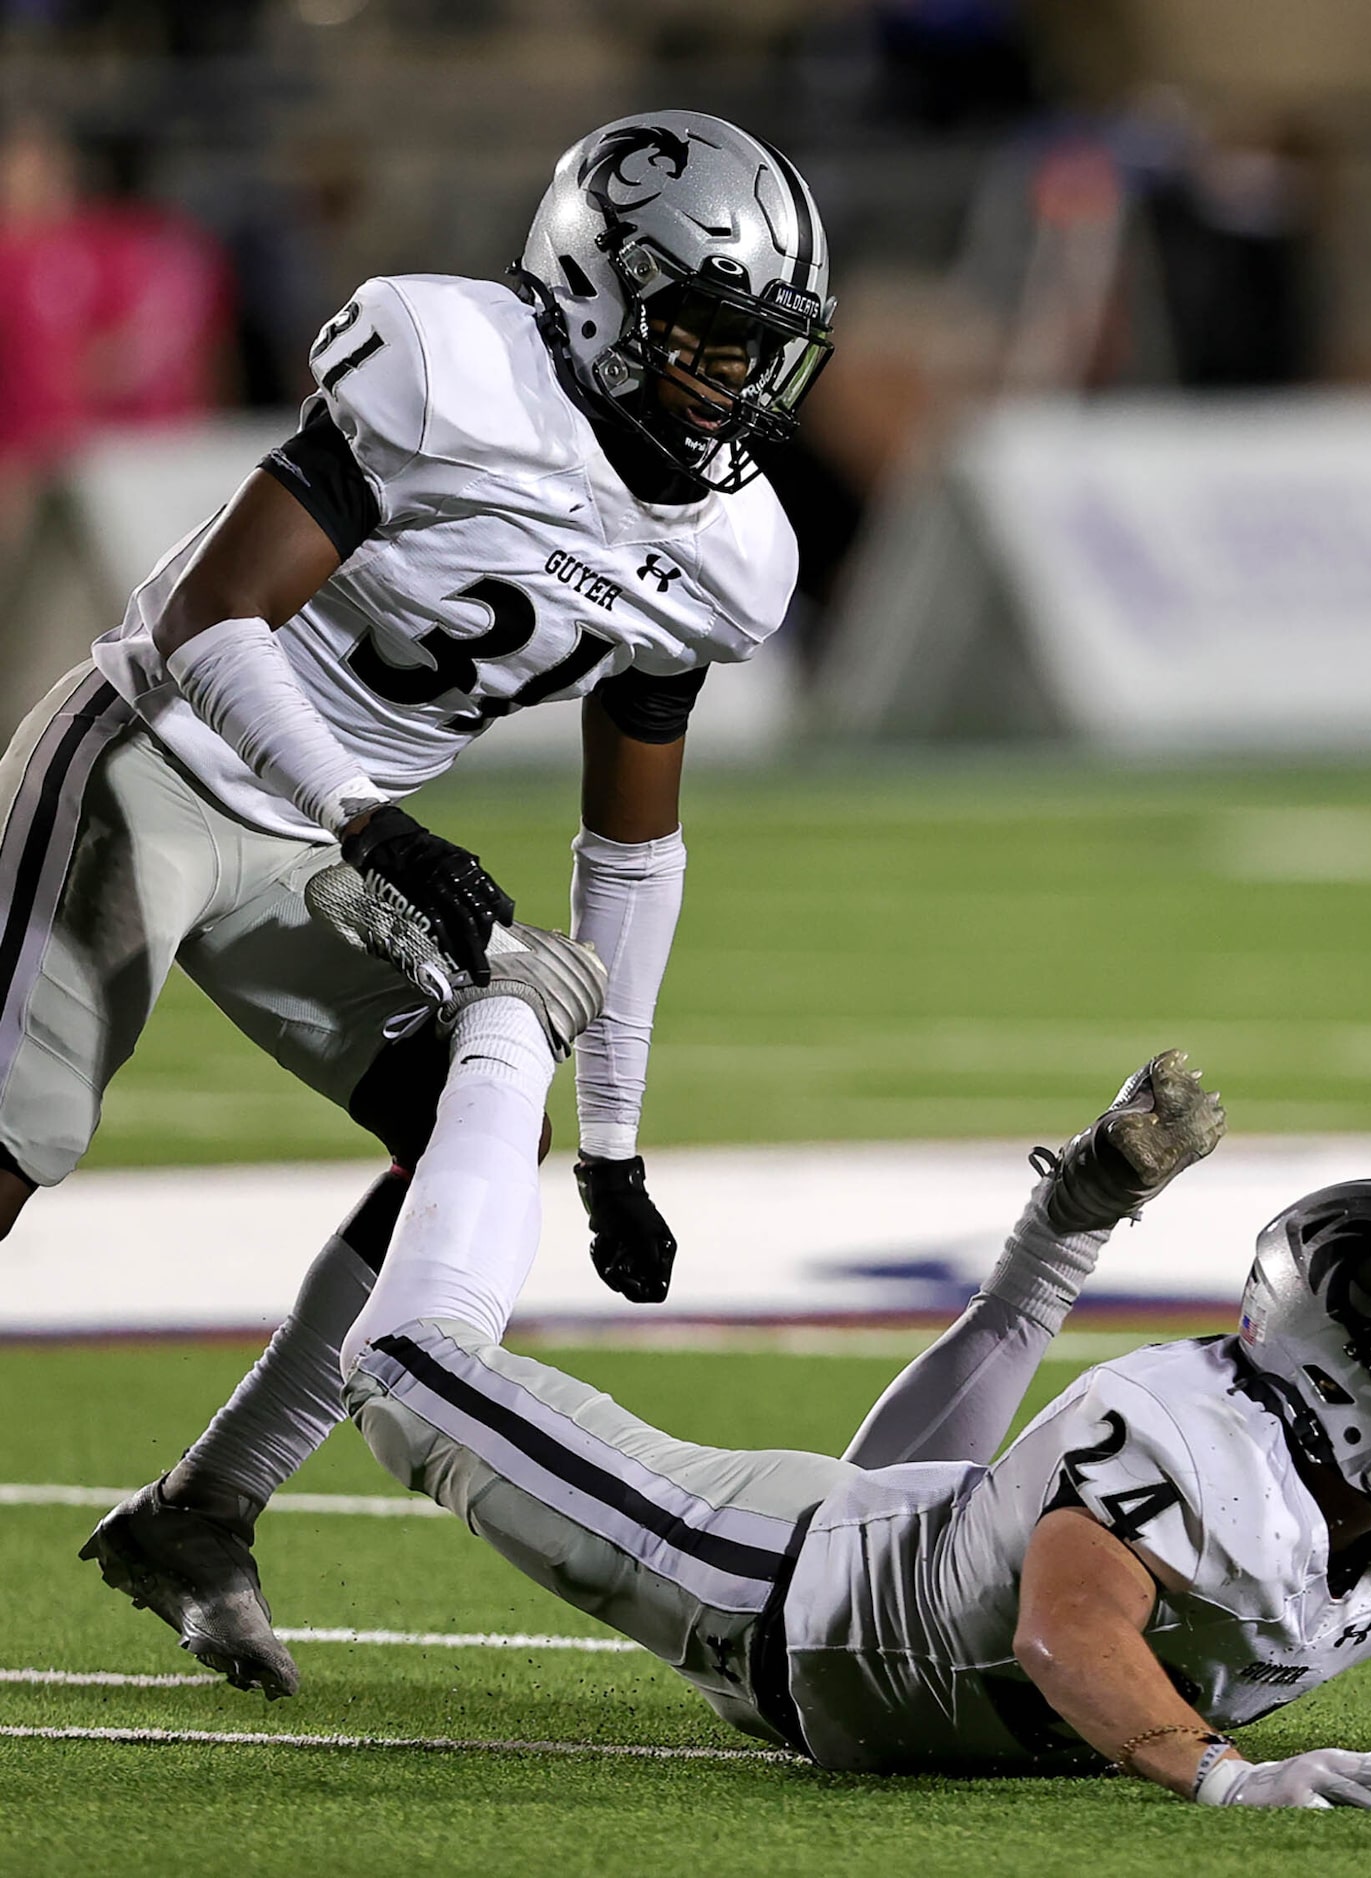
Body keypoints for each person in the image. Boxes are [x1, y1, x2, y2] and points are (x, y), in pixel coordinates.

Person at [316, 959, 1371, 1800]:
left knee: (941, 1505)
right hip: (772, 1590)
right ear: (1335, 1374)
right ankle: (507, 1035)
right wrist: (1212, 1772)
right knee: (400, 1369)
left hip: (913, 1566)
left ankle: (1064, 1217)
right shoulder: (1181, 1430)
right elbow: (1063, 1625)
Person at [35, 110, 836, 1698]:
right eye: (701, 333)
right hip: (162, 755)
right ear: (601, 290)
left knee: (473, 1124)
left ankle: (206, 1509)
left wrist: (614, 1142)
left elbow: (633, 850)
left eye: (758, 350)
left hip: (331, 842)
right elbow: (211, 616)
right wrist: (370, 823)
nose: (730, 379)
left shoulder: (727, 548)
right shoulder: (456, 365)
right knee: (8, 1146)